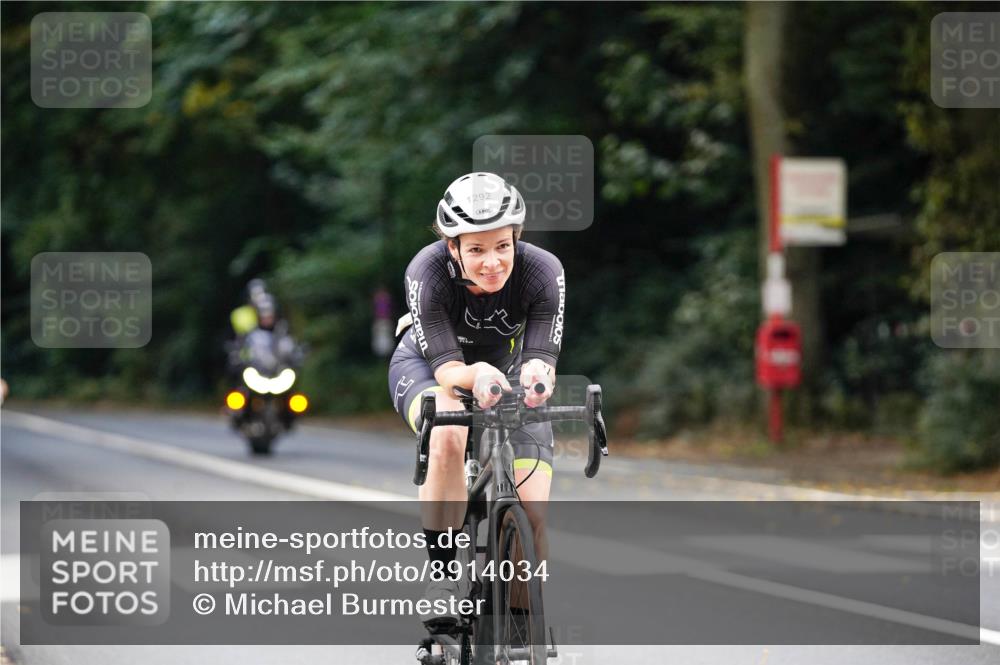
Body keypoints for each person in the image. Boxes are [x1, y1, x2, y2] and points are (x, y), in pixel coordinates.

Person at [388, 172, 565, 629]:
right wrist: (478, 374)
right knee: (449, 425)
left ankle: (523, 626)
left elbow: (543, 354)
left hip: (502, 372)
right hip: (429, 368)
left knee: (532, 508)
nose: (492, 263)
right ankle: (443, 577)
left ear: (516, 240)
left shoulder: (544, 270)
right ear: (453, 247)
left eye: (502, 246)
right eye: (476, 249)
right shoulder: (425, 272)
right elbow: (450, 373)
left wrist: (537, 375)